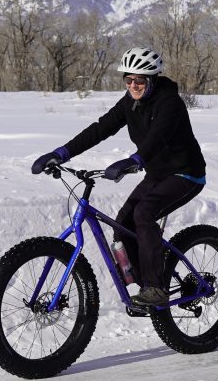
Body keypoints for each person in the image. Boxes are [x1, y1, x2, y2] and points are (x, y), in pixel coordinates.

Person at [31, 47, 206, 308]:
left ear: (152, 80)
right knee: (122, 223)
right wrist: (62, 153)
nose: (133, 85)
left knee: (144, 214)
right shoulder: (130, 102)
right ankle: (144, 283)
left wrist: (135, 160)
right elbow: (101, 128)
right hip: (157, 174)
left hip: (186, 174)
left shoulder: (170, 103)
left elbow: (158, 137)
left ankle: (155, 288)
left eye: (140, 81)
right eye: (129, 80)